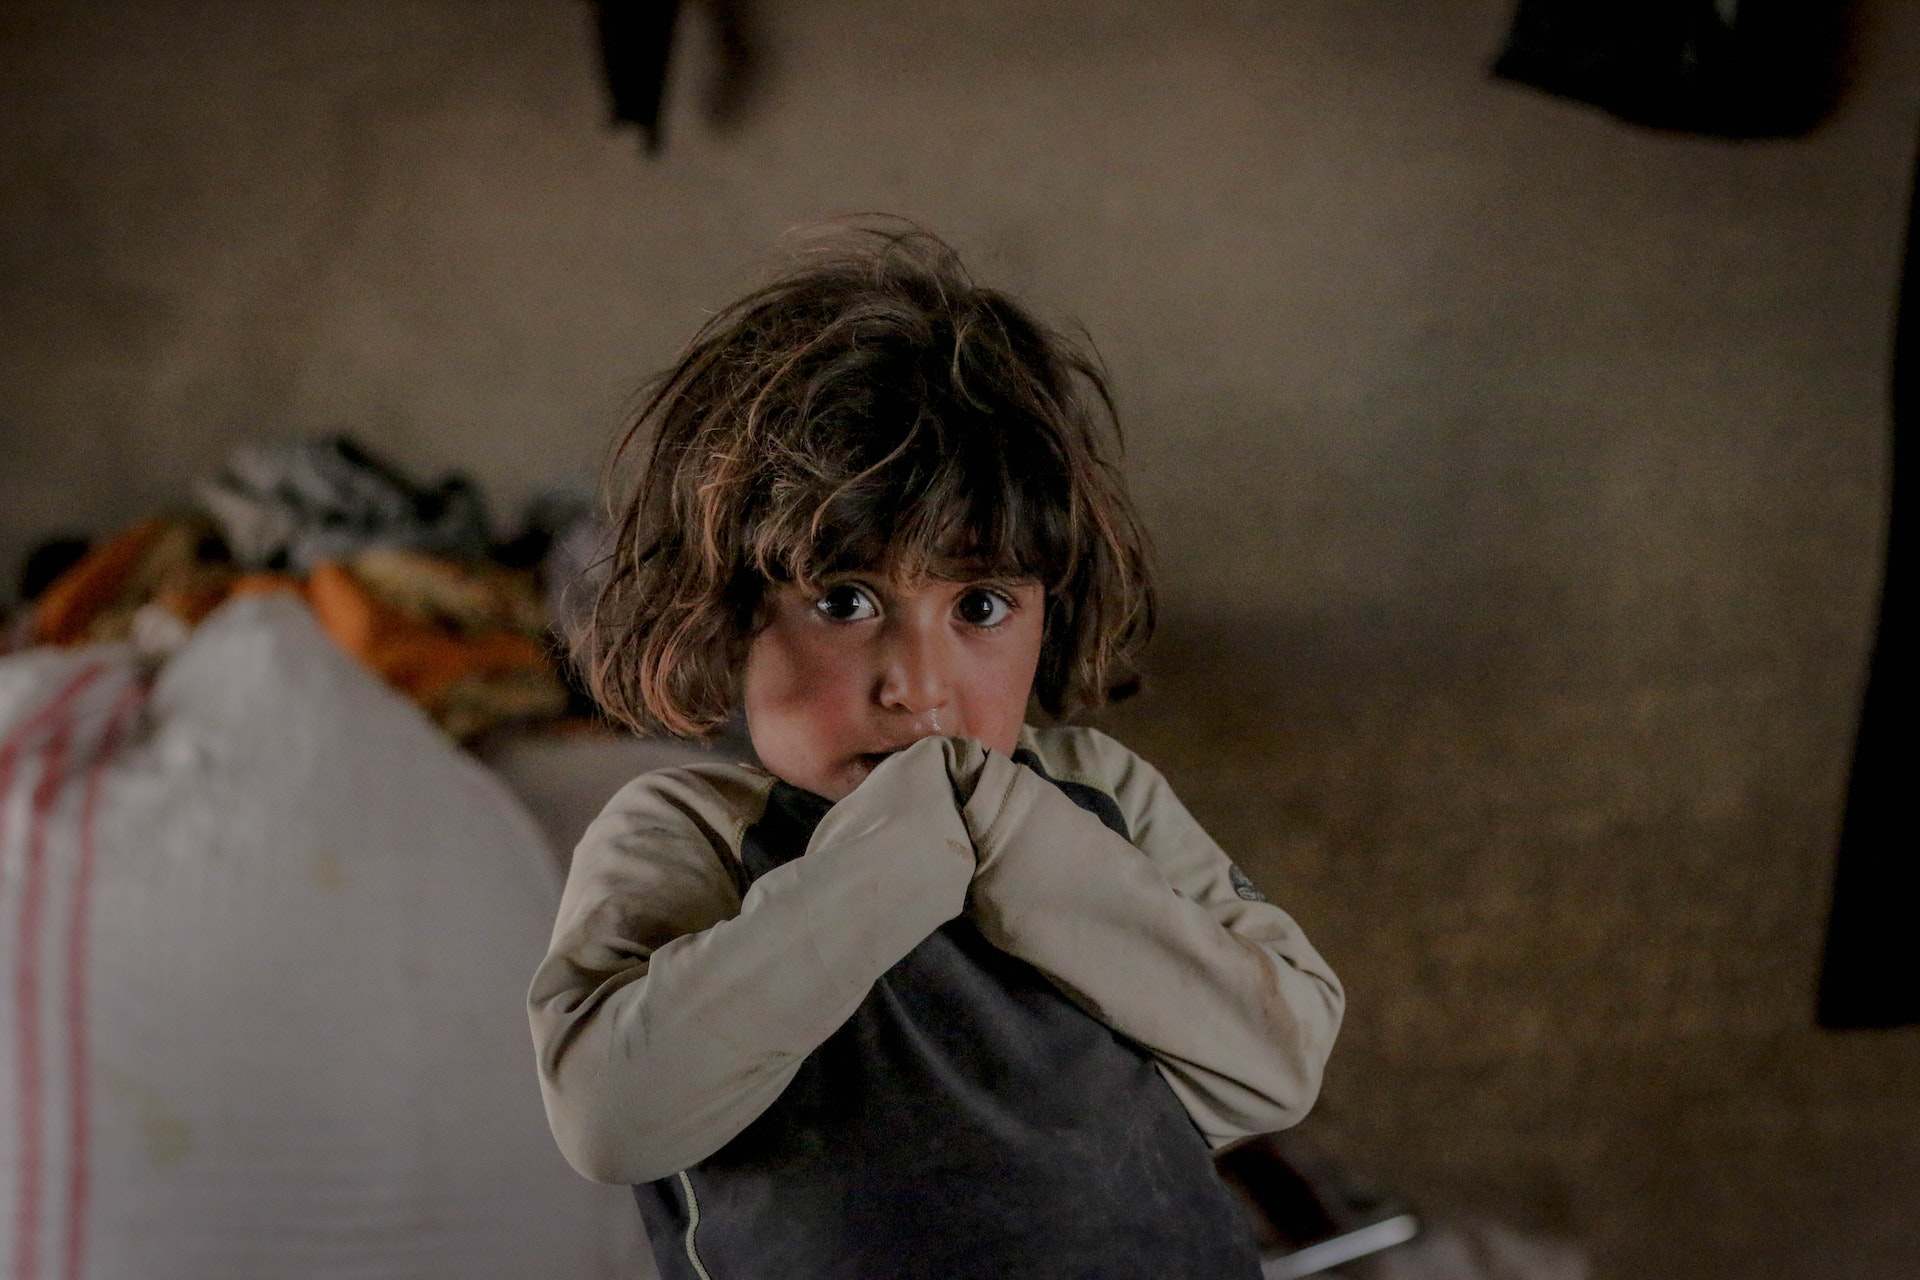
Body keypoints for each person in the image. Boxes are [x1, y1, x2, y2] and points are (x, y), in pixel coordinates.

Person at [528, 224, 1344, 1280]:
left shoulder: (1100, 796)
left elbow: (1275, 1061)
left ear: (1051, 610)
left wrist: (1006, 833)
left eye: (984, 603)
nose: (917, 681)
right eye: (846, 599)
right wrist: (891, 861)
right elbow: (610, 1116)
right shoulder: (689, 836)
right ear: (726, 611)